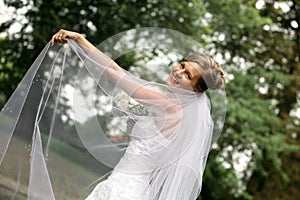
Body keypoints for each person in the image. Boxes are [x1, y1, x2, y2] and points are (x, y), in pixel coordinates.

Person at [50, 29, 225, 200]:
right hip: (131, 188)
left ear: (195, 90)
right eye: (182, 65)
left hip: (123, 191)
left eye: (187, 75)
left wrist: (81, 40)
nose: (178, 72)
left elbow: (115, 72)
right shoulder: (179, 115)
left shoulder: (169, 106)